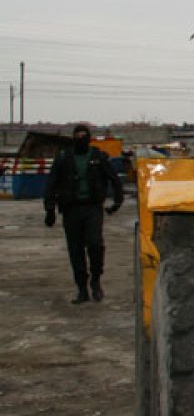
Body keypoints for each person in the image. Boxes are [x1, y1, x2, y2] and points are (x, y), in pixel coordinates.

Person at [44, 124, 124, 303]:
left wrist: (117, 201)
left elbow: (115, 180)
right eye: (77, 136)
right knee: (75, 249)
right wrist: (49, 209)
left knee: (95, 244)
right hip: (71, 209)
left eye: (83, 136)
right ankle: (82, 288)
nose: (80, 139)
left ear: (89, 138)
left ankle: (96, 280)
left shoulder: (98, 157)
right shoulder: (64, 158)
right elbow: (51, 184)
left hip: (93, 208)